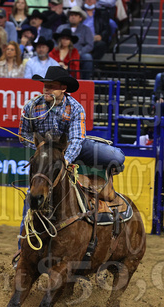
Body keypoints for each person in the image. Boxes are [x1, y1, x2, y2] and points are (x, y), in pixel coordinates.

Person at [16, 66, 125, 256]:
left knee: (117, 157)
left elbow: (76, 140)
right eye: (45, 86)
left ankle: (101, 186)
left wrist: (64, 160)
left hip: (75, 148)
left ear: (63, 89)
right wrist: (42, 151)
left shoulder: (75, 108)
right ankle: (22, 252)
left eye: (51, 86)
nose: (46, 90)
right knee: (31, 199)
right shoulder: (31, 107)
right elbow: (23, 135)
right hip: (48, 152)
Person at [56, 6, 93, 78]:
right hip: (62, 52)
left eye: (75, 15)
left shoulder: (86, 29)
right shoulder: (61, 28)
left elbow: (89, 45)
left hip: (79, 53)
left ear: (80, 18)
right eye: (71, 15)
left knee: (87, 57)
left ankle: (86, 79)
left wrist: (79, 53)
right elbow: (55, 41)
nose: (73, 17)